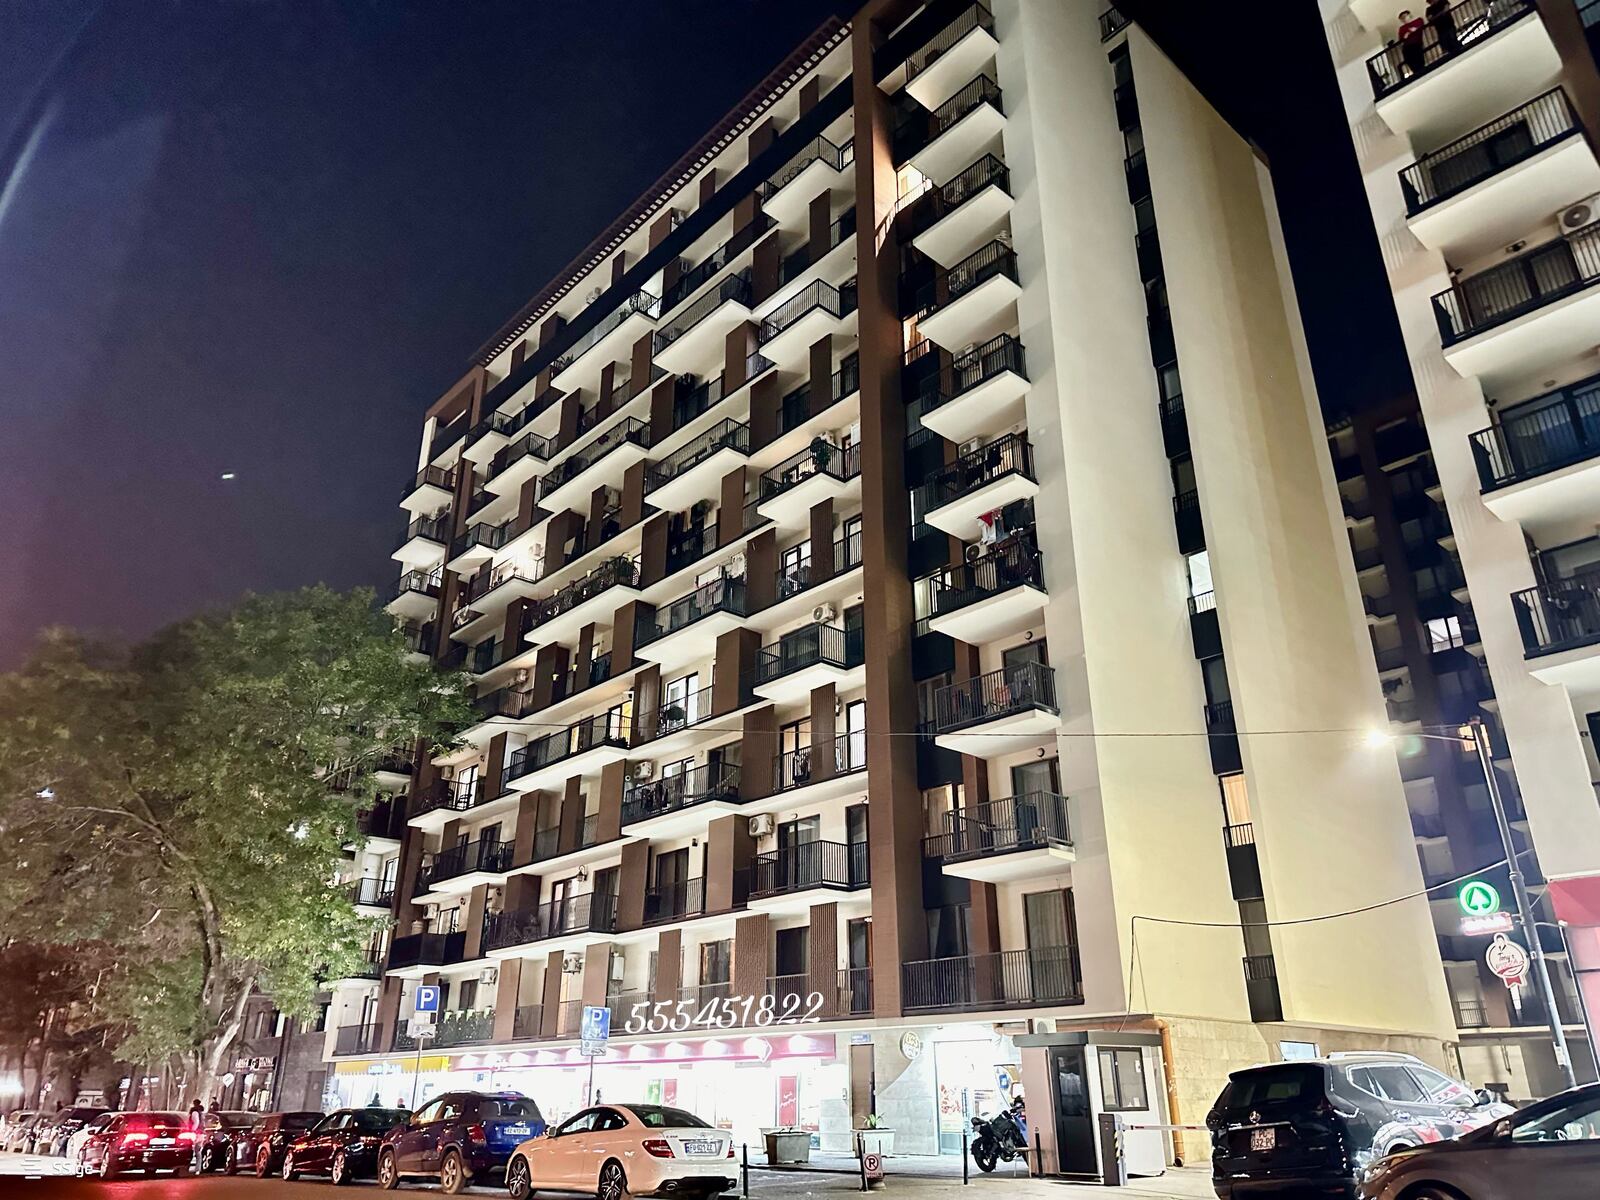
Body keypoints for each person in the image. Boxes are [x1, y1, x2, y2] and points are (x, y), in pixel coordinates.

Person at [1397, 10, 1427, 78]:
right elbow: (1401, 39)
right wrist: (1405, 36)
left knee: (1419, 60)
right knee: (1410, 61)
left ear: (1409, 15)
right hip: (1407, 48)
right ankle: (1416, 73)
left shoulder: (1418, 20)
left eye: (1405, 16)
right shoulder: (1402, 28)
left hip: (1416, 45)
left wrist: (1415, 29)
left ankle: (1421, 71)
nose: (1404, 19)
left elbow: (1421, 25)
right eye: (1402, 18)